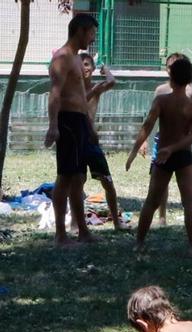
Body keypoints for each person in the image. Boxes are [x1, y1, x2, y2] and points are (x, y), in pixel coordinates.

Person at [124, 58, 192, 257]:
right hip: (183, 156)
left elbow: (147, 126)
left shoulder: (161, 101)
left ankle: (139, 242)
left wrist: (134, 151)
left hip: (163, 157)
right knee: (189, 202)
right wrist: (174, 148)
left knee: (151, 201)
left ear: (170, 77)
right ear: (190, 79)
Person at [44, 14, 100, 247]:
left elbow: (79, 97)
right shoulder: (63, 58)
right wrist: (53, 126)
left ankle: (83, 232)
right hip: (66, 122)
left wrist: (89, 126)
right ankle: (60, 235)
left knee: (78, 178)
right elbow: (55, 94)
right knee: (65, 177)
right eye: (91, 34)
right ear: (80, 30)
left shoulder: (77, 59)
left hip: (79, 122)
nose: (92, 39)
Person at [138, 53, 192, 226]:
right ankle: (159, 220)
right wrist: (142, 142)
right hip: (165, 146)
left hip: (180, 150)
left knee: (188, 201)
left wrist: (174, 146)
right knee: (155, 197)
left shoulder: (191, 98)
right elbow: (149, 123)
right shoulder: (160, 94)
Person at [79, 52, 126, 231]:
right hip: (78, 141)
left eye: (87, 64)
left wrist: (106, 70)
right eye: (81, 65)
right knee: (77, 182)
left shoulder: (96, 88)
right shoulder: (74, 89)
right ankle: (77, 223)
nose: (85, 68)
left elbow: (112, 82)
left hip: (91, 142)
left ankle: (116, 222)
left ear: (92, 68)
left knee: (107, 182)